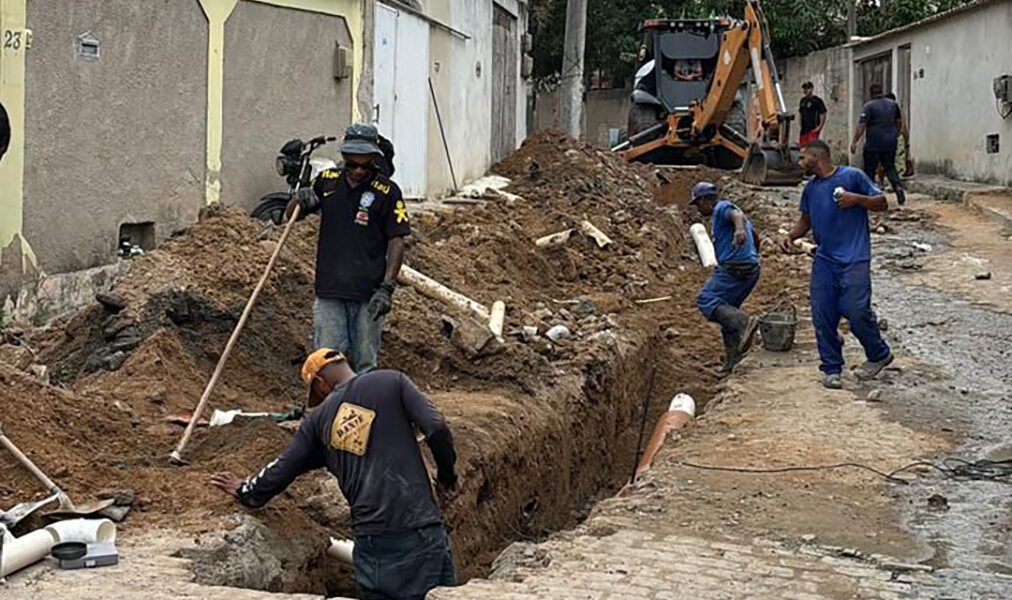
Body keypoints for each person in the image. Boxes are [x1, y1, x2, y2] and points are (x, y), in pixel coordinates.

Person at [212, 348, 459, 600]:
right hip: (420, 530)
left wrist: (246, 490)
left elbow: (281, 468)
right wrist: (447, 477)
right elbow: (437, 427)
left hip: (372, 543)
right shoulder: (391, 381)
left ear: (319, 383)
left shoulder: (317, 421)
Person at [286, 123, 410, 373]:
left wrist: (387, 288)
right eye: (352, 164)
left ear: (374, 160)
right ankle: (326, 410)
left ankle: (361, 408)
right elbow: (290, 217)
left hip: (368, 293)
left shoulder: (387, 192)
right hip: (329, 289)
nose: (357, 171)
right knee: (325, 362)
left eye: (364, 166)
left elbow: (397, 240)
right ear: (343, 158)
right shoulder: (327, 182)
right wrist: (298, 199)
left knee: (365, 361)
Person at [779, 140, 894, 389]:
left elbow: (882, 203)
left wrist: (857, 199)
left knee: (856, 311)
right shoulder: (810, 188)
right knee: (823, 315)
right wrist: (791, 236)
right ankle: (831, 368)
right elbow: (806, 220)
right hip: (825, 259)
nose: (799, 163)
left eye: (803, 158)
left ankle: (878, 354)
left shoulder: (851, 176)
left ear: (817, 156)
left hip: (854, 257)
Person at [691, 182, 762, 372]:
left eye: (698, 203)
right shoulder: (724, 214)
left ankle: (745, 323)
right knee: (726, 314)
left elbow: (736, 216)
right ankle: (733, 363)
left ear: (705, 199)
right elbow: (755, 237)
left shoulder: (722, 208)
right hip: (750, 269)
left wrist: (738, 230)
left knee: (706, 299)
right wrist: (752, 254)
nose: (698, 209)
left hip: (736, 269)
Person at [851, 84, 906, 205]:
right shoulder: (893, 104)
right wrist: (895, 135)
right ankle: (898, 187)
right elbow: (899, 122)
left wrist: (855, 141)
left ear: (871, 93)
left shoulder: (868, 106)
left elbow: (861, 126)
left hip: (874, 142)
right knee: (890, 167)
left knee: (870, 169)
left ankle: (871, 195)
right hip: (890, 142)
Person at [798, 81, 827, 146]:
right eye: (804, 89)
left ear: (811, 89)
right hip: (803, 130)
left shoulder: (817, 100)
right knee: (803, 148)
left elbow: (823, 113)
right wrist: (800, 123)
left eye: (808, 88)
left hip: (812, 129)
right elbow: (800, 112)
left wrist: (819, 127)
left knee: (812, 147)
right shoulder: (802, 101)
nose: (806, 90)